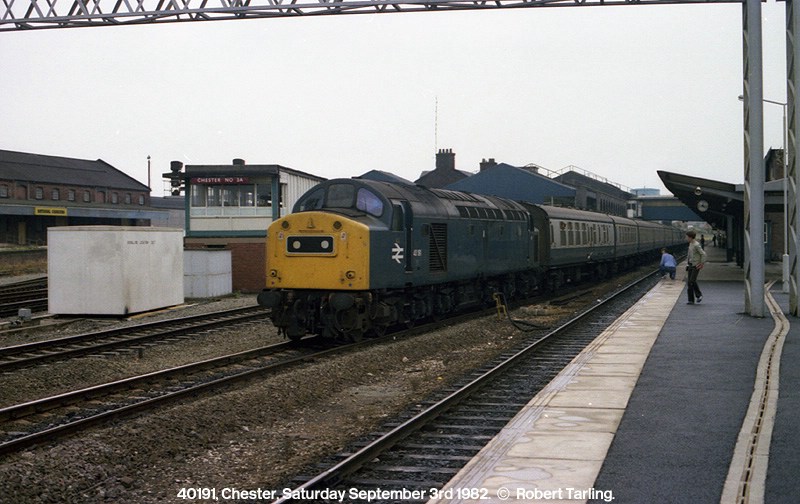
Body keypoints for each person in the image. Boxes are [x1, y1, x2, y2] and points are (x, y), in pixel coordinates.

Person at [685, 230, 707, 304]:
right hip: (690, 264)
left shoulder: (696, 245)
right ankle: (691, 300)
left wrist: (701, 263)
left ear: (690, 237)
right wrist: (687, 263)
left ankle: (699, 295)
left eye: (687, 237)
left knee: (692, 281)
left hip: (696, 265)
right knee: (689, 282)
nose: (686, 238)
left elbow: (703, 254)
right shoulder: (690, 244)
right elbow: (689, 255)